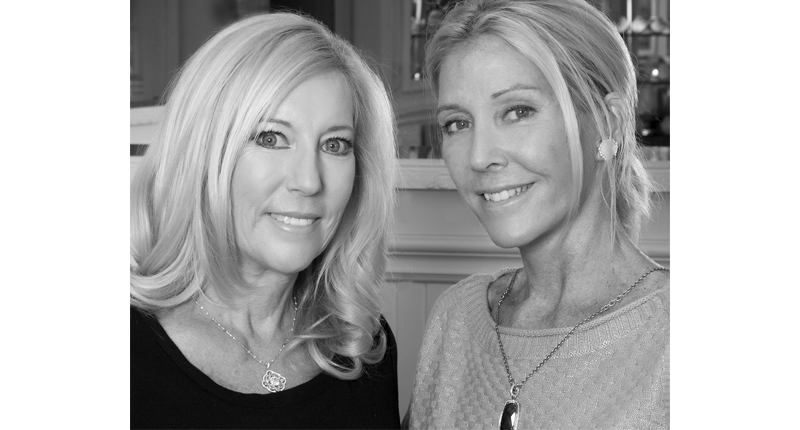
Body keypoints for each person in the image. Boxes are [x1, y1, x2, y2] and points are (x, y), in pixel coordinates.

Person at [130, 12, 401, 429]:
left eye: (335, 144)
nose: (309, 181)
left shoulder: (362, 344)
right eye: (271, 138)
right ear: (203, 153)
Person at [407, 0, 669, 429]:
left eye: (518, 112)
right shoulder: (457, 320)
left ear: (607, 121)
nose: (479, 156)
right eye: (457, 123)